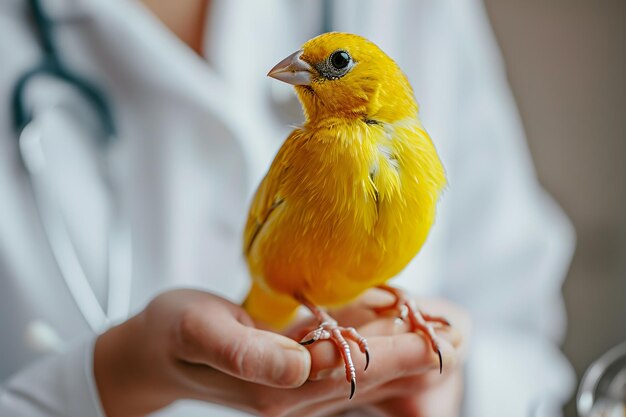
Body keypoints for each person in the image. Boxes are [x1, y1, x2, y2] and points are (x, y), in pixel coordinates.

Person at [0, 0, 575, 416]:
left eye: (334, 65)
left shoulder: (419, 130)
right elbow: (261, 234)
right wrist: (106, 380)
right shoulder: (307, 147)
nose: (298, 71)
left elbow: (524, 333)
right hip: (274, 288)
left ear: (375, 84)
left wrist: (453, 383)